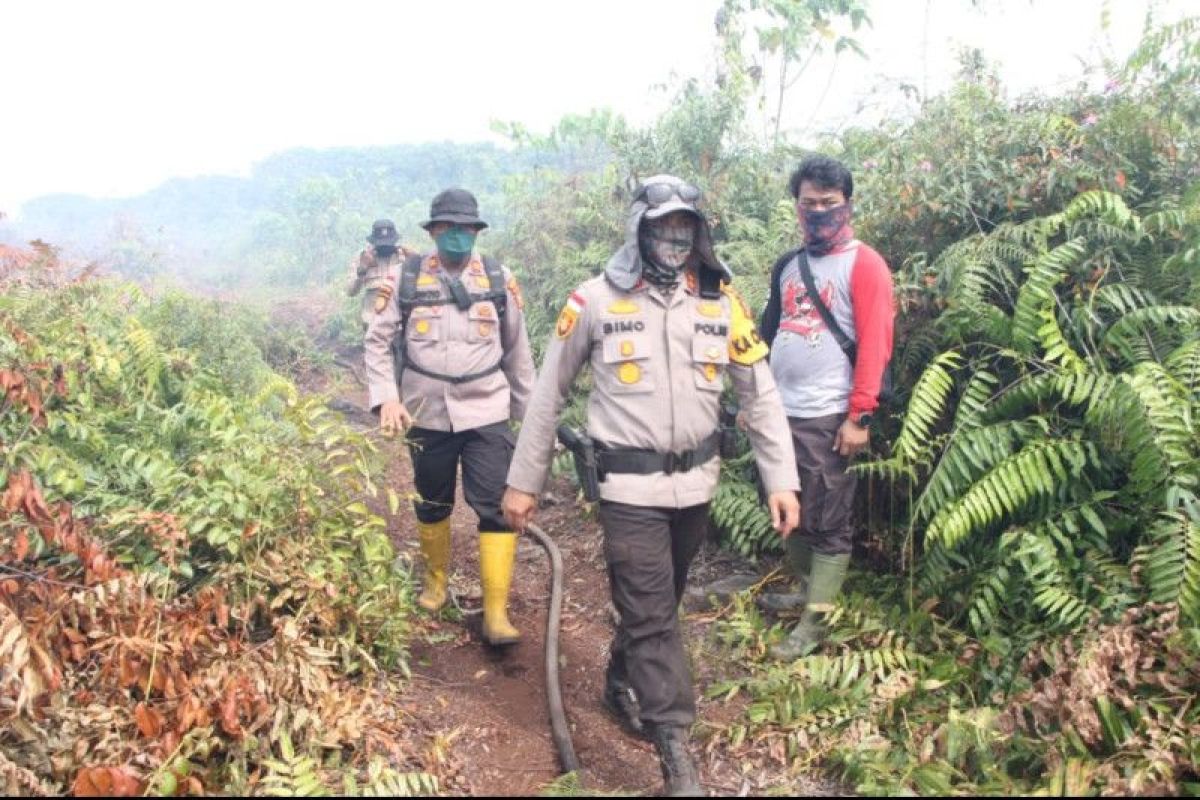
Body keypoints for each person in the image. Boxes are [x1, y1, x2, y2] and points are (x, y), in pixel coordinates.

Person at [501, 175, 800, 797]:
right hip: (627, 493)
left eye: (684, 228)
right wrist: (523, 482)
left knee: (654, 609)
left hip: (697, 488)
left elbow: (760, 392)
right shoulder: (593, 301)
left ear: (698, 233)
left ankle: (619, 681)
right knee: (655, 618)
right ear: (640, 230)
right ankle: (676, 756)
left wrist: (781, 480)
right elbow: (547, 395)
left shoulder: (722, 302)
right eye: (662, 227)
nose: (673, 239)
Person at [364, 189, 535, 646]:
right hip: (427, 410)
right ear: (434, 232)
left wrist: (531, 420)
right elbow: (377, 341)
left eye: (466, 229)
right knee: (432, 500)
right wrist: (387, 398)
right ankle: (434, 584)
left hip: (487, 409)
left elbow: (518, 352)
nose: (457, 236)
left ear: (476, 233)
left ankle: (496, 613)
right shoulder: (406, 279)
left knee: (495, 506)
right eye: (448, 229)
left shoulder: (499, 278)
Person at [757, 155, 894, 660]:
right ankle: (806, 588)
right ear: (796, 207)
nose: (818, 212)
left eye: (828, 204)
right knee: (784, 501)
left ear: (847, 204)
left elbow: (877, 342)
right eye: (809, 203)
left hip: (829, 412)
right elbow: (767, 334)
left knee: (829, 516)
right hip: (780, 410)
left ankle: (816, 623)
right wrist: (755, 401)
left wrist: (859, 416)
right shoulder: (788, 266)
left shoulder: (865, 264)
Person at [347, 219, 414, 330]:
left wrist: (414, 261)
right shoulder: (363, 258)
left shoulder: (405, 257)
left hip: (401, 325)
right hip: (373, 325)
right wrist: (363, 269)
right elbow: (350, 291)